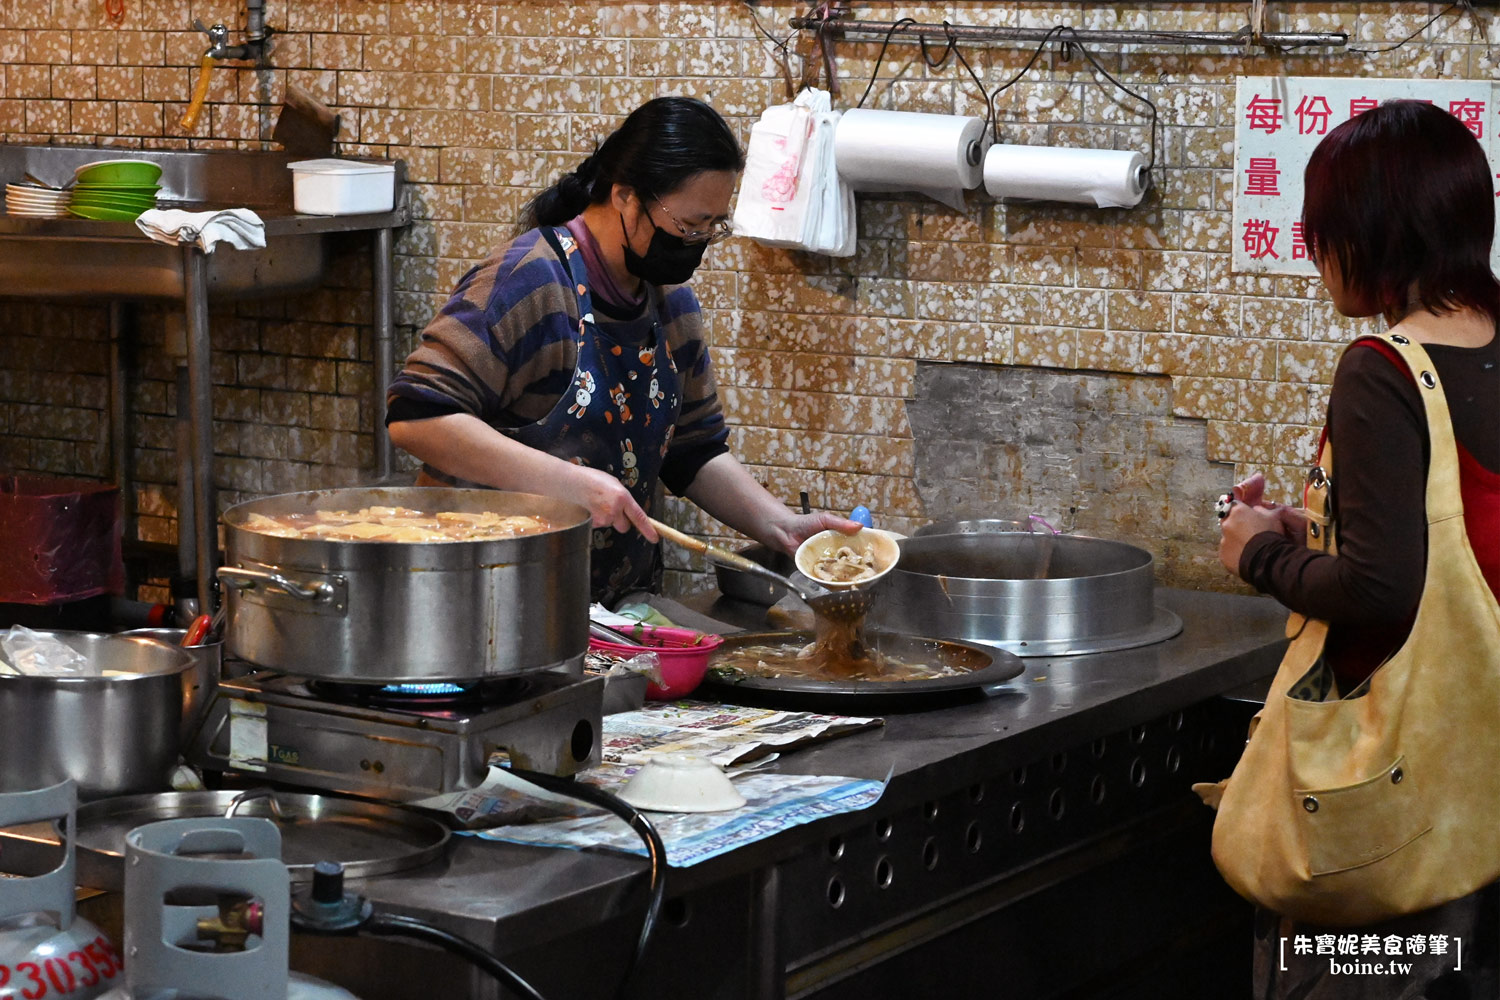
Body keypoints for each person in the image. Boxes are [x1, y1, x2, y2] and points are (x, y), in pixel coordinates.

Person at [1218, 100, 1500, 999]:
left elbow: (1381, 590)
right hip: (1485, 777)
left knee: (1352, 977)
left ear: (1374, 231)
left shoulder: (1383, 368)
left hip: (1399, 792)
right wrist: (1324, 534)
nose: (1312, 249)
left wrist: (1255, 553)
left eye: (1322, 227)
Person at [386, 96, 855, 604]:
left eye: (711, 228)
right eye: (688, 225)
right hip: (485, 595)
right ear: (626, 197)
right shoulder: (530, 282)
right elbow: (416, 416)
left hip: (608, 612)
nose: (697, 241)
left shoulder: (671, 305)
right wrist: (569, 485)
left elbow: (693, 448)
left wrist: (782, 526)